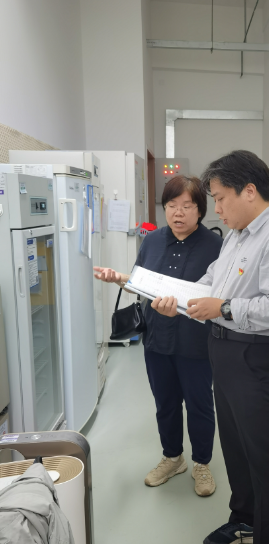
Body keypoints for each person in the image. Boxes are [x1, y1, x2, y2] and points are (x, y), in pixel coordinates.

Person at [152, 150, 269, 544]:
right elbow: (210, 284)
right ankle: (243, 518)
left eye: (220, 198)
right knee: (235, 448)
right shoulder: (238, 236)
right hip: (223, 350)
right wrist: (178, 300)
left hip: (258, 357)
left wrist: (220, 307)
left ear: (249, 191)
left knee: (265, 459)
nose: (215, 208)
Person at [94, 175, 222, 497]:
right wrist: (118, 278)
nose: (178, 212)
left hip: (196, 342)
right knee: (165, 403)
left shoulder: (215, 246)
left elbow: (221, 296)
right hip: (157, 340)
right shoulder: (151, 241)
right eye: (171, 205)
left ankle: (202, 463)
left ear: (200, 209)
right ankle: (173, 458)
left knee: (199, 405)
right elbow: (140, 284)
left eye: (187, 206)